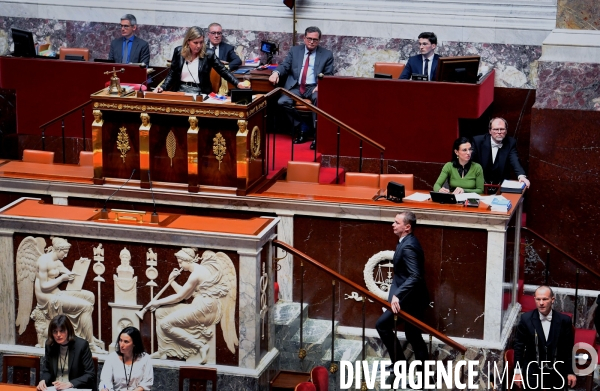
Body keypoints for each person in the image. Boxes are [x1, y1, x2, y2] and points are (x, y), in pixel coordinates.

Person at [146, 248, 237, 363]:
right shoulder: (202, 268)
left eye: (180, 262)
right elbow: (186, 295)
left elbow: (179, 297)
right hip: (202, 305)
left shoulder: (195, 274)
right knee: (160, 312)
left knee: (165, 324)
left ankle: (200, 346)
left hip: (204, 309)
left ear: (188, 260)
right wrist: (172, 281)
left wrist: (157, 302)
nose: (180, 265)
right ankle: (163, 351)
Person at [376, 211, 429, 383]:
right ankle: (420, 375)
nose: (393, 224)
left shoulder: (408, 246)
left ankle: (406, 368)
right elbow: (401, 276)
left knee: (382, 325)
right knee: (413, 335)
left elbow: (415, 276)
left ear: (407, 227)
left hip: (411, 299)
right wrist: (391, 297)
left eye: (397, 222)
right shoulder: (405, 241)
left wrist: (397, 295)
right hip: (410, 297)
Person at [268, 26, 334, 149]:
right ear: (304, 38)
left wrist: (321, 85)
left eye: (315, 39)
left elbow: (329, 74)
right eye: (309, 38)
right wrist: (276, 73)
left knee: (319, 100)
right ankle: (302, 128)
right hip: (296, 87)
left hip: (314, 87)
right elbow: (285, 65)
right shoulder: (295, 51)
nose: (312, 42)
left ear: (319, 40)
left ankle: (317, 135)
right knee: (282, 101)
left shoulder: (327, 55)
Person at [513, 286, 576, 390]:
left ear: (552, 300)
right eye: (538, 299)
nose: (541, 303)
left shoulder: (564, 321)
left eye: (545, 299)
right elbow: (518, 347)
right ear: (534, 299)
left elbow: (568, 349)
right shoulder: (526, 319)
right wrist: (517, 372)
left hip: (557, 371)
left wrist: (570, 371)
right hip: (533, 371)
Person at [157, 26, 248, 95]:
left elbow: (223, 70)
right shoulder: (178, 52)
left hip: (200, 92)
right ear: (188, 41)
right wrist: (162, 87)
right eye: (195, 43)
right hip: (180, 91)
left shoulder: (208, 54)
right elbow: (172, 74)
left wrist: (237, 83)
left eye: (201, 42)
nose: (199, 46)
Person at [37, 315, 96, 391]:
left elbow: (90, 374)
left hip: (74, 388)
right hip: (55, 388)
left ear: (68, 330)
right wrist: (43, 380)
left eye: (62, 331)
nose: (58, 335)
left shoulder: (81, 345)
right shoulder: (50, 345)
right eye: (55, 331)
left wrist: (70, 384)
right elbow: (47, 370)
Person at [471, 117, 530, 189]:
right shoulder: (478, 141)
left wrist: (521, 176)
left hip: (501, 185)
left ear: (506, 131)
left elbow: (515, 160)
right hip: (480, 185)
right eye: (496, 129)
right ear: (490, 131)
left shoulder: (510, 142)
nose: (499, 132)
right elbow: (469, 161)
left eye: (502, 129)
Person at [100, 326, 153, 391]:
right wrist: (105, 388)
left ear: (134, 344)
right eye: (120, 340)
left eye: (126, 342)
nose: (121, 345)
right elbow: (105, 381)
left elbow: (147, 382)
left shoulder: (145, 358)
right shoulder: (112, 358)